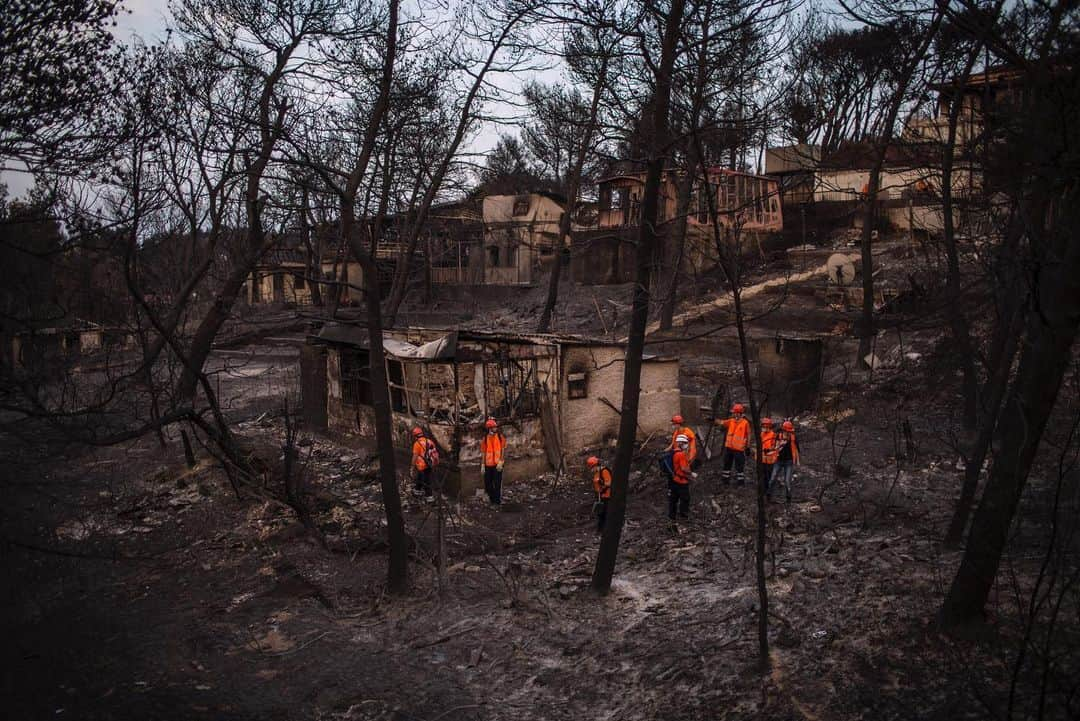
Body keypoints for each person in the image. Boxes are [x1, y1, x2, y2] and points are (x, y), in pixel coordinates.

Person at [716, 403, 751, 486]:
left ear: (741, 413)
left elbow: (749, 435)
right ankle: (725, 481)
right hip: (729, 448)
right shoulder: (731, 421)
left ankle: (740, 483)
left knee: (739, 466)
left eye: (737, 413)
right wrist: (714, 420)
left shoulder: (745, 423)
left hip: (739, 449)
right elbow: (722, 422)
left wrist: (748, 447)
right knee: (727, 464)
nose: (735, 414)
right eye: (734, 413)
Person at [769, 420, 800, 503]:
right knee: (772, 478)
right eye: (787, 431)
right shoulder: (778, 436)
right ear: (783, 430)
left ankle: (788, 498)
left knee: (787, 481)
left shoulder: (793, 438)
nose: (789, 433)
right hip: (778, 461)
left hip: (789, 462)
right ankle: (768, 496)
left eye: (790, 431)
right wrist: (779, 445)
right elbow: (773, 447)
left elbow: (797, 450)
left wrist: (797, 461)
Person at [479, 418, 507, 506]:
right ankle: (492, 499)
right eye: (494, 427)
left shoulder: (500, 437)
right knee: (488, 484)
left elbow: (503, 450)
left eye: (496, 427)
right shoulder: (485, 440)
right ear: (489, 429)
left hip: (498, 464)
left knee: (497, 484)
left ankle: (497, 502)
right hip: (488, 465)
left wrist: (501, 462)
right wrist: (483, 465)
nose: (496, 429)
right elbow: (483, 453)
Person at [669, 434, 696, 522]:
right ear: (681, 443)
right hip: (681, 481)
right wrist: (692, 474)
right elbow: (684, 468)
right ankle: (683, 515)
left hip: (674, 479)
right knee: (685, 498)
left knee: (674, 499)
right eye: (685, 443)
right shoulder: (681, 454)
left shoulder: (673, 452)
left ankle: (671, 516)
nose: (686, 445)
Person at [411, 427, 437, 499]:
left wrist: (412, 467)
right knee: (420, 478)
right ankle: (417, 490)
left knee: (426, 481)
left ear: (415, 436)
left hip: (422, 465)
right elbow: (434, 453)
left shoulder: (417, 444)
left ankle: (429, 497)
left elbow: (415, 456)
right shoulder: (430, 441)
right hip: (430, 464)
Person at [587, 456, 612, 532]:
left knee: (605, 514)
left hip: (607, 496)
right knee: (600, 514)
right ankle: (601, 530)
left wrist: (602, 483)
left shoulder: (604, 471)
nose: (591, 470)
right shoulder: (596, 474)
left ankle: (605, 530)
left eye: (591, 468)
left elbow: (609, 483)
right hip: (600, 497)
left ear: (595, 466)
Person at [759, 418, 778, 497]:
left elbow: (775, 446)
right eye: (764, 426)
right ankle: (764, 489)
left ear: (770, 427)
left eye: (767, 426)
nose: (765, 428)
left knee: (769, 475)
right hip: (762, 459)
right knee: (763, 475)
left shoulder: (773, 435)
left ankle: (769, 491)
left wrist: (769, 450)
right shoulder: (761, 434)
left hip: (770, 460)